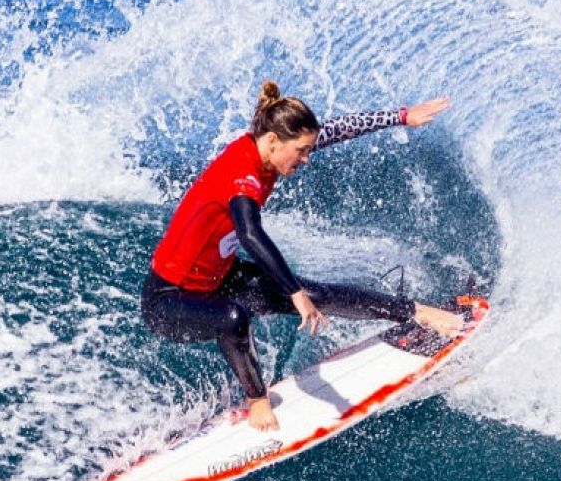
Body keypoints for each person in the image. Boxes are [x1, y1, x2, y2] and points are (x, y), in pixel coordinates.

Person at [141, 81, 464, 431]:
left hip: (217, 278)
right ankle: (258, 402)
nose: (307, 158)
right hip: (169, 300)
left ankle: (415, 312)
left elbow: (340, 129)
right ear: (274, 142)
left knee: (317, 295)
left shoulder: (273, 145)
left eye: (309, 149)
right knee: (234, 318)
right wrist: (293, 293)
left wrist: (401, 116)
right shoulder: (242, 173)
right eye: (302, 151)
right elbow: (250, 233)